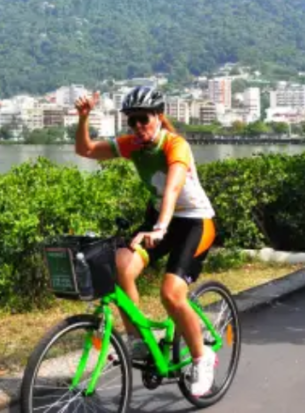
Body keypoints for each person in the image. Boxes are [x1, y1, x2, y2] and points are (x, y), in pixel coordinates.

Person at [74, 86, 217, 397]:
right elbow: (85, 150)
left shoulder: (175, 145)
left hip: (194, 222)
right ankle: (138, 341)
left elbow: (173, 189)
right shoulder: (131, 146)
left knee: (171, 294)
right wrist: (84, 118)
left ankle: (202, 358)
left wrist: (161, 227)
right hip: (158, 222)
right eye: (132, 121)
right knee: (120, 266)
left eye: (143, 119)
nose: (138, 127)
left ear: (159, 117)